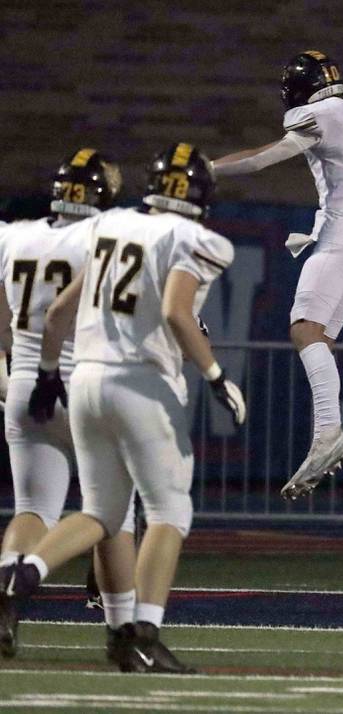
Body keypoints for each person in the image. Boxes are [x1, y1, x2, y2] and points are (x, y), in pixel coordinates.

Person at [0, 143, 246, 673]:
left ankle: (25, 572)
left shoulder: (104, 228)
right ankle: (141, 633)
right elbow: (179, 314)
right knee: (167, 510)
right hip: (140, 381)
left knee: (98, 512)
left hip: (75, 378)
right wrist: (217, 375)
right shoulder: (195, 239)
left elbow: (57, 310)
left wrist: (41, 372)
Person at [211, 50, 343, 500]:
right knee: (319, 338)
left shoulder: (318, 117)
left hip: (342, 236)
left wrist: (208, 169)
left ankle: (329, 432)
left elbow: (263, 159)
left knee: (304, 329)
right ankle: (327, 432)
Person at [0, 149, 138, 660]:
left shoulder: (14, 235)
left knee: (33, 508)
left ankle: (7, 578)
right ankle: (125, 633)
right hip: (85, 385)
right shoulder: (110, 235)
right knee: (113, 514)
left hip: (27, 385)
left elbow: (3, 316)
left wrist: (16, 368)